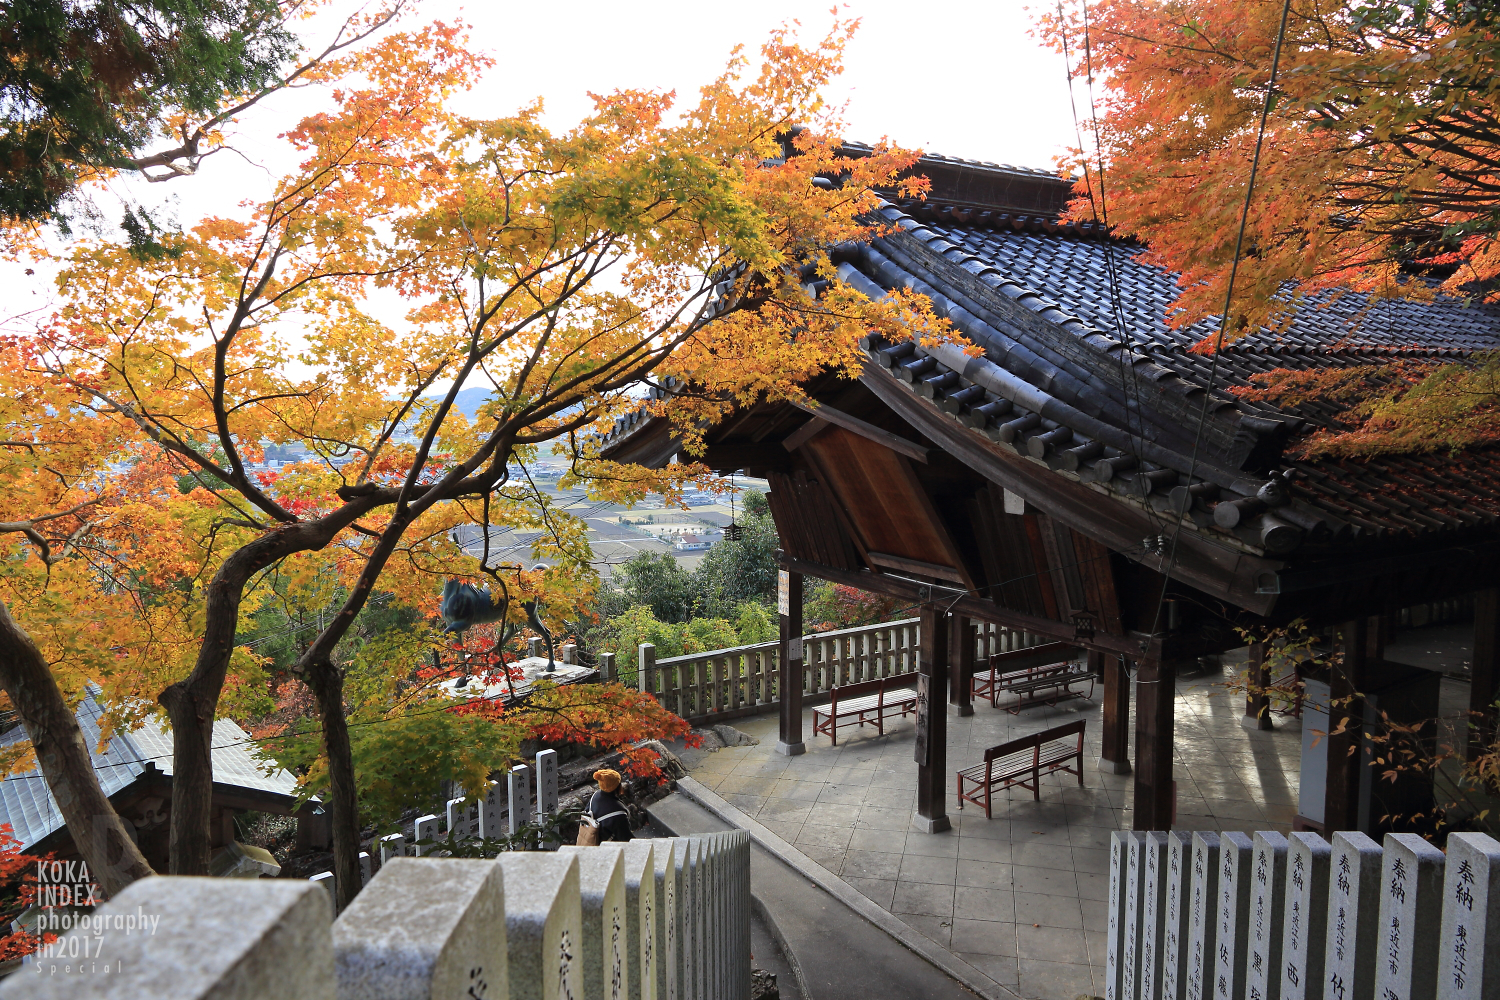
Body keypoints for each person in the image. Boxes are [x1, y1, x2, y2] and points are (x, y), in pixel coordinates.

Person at [586, 769, 633, 842]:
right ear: (617, 786)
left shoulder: (595, 796)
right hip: (611, 846)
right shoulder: (618, 812)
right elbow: (627, 839)